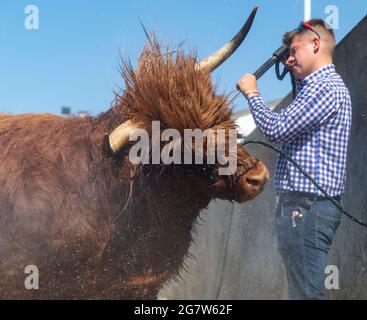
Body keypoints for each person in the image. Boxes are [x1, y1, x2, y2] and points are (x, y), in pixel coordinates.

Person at [236, 19, 352, 300]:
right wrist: (291, 61)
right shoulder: (316, 89)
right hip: (306, 208)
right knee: (303, 292)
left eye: (294, 50)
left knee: (305, 295)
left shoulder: (325, 88)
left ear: (315, 44)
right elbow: (293, 117)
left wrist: (252, 93)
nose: (288, 58)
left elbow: (276, 129)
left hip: (307, 208)